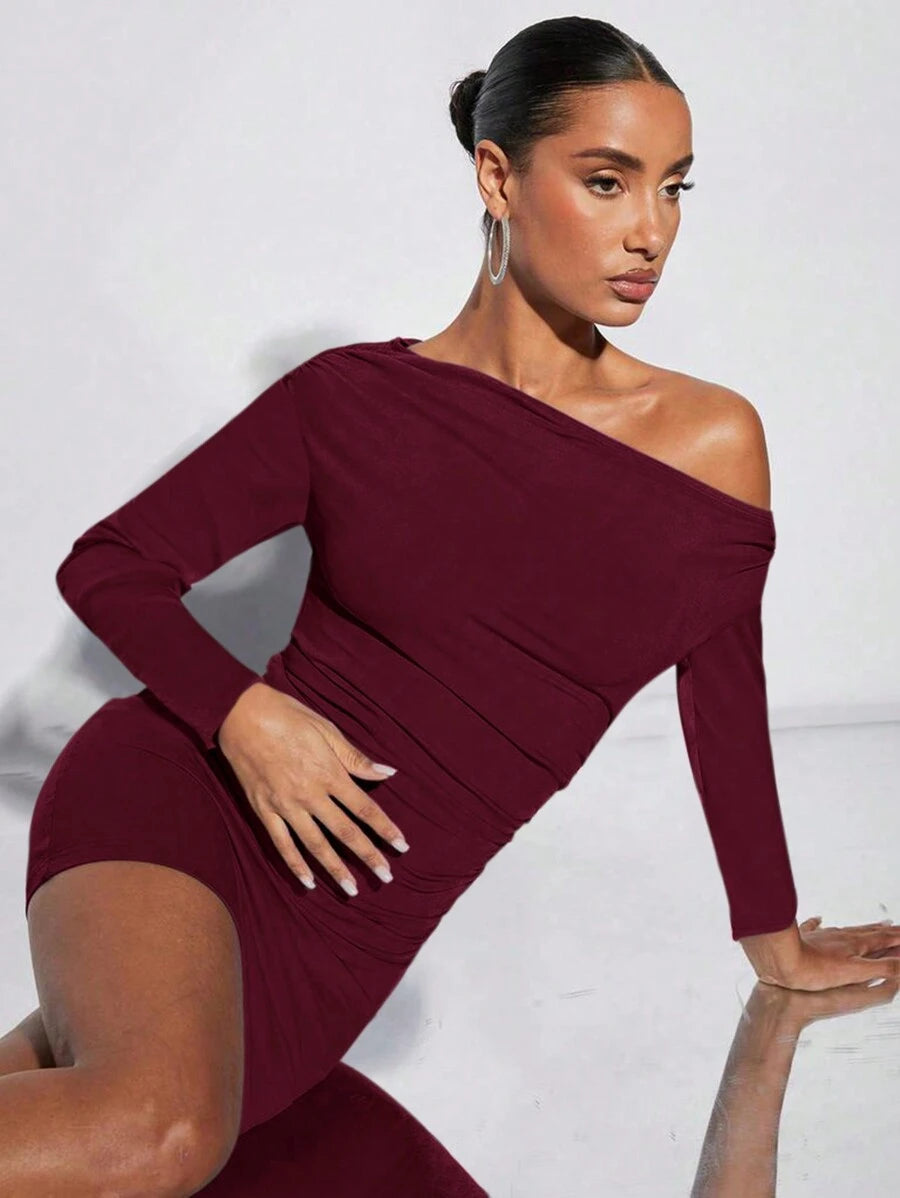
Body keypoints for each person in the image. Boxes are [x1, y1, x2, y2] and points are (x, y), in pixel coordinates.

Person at [4, 14, 899, 1195]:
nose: (651, 230)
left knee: (104, 1122)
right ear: (498, 177)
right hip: (183, 803)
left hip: (337, 947)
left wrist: (769, 934)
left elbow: (724, 699)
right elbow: (111, 565)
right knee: (154, 1133)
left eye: (674, 187)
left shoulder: (712, 443)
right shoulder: (349, 402)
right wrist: (244, 715)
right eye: (607, 181)